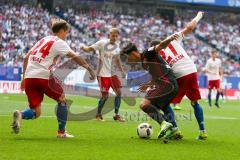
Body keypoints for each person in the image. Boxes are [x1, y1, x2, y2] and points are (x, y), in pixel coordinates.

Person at [11, 19, 96, 138]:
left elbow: (26, 58)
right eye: (66, 32)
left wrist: (24, 78)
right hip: (44, 75)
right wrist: (90, 69)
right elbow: (75, 57)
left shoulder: (43, 39)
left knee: (36, 111)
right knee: (62, 100)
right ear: (61, 31)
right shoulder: (60, 42)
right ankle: (61, 133)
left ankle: (20, 114)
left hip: (30, 76)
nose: (67, 35)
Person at [152, 11, 207, 140]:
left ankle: (175, 130)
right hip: (192, 70)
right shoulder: (174, 37)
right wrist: (199, 16)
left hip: (180, 74)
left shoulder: (157, 54)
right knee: (195, 102)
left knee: (165, 104)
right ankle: (203, 131)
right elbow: (190, 27)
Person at [121, 33, 183, 142]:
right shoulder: (144, 63)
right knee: (163, 107)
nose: (127, 60)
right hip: (170, 86)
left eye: (127, 57)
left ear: (133, 53)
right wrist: (148, 84)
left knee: (144, 104)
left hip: (167, 85)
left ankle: (164, 123)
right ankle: (174, 130)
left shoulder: (146, 54)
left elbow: (161, 46)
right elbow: (156, 76)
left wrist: (169, 38)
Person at [81, 28, 126, 122]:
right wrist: (83, 47)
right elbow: (89, 49)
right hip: (102, 74)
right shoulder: (102, 43)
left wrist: (122, 71)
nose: (114, 37)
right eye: (113, 35)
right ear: (109, 35)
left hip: (112, 74)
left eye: (116, 36)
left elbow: (117, 60)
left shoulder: (117, 46)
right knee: (105, 97)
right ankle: (98, 115)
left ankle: (116, 115)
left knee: (119, 93)